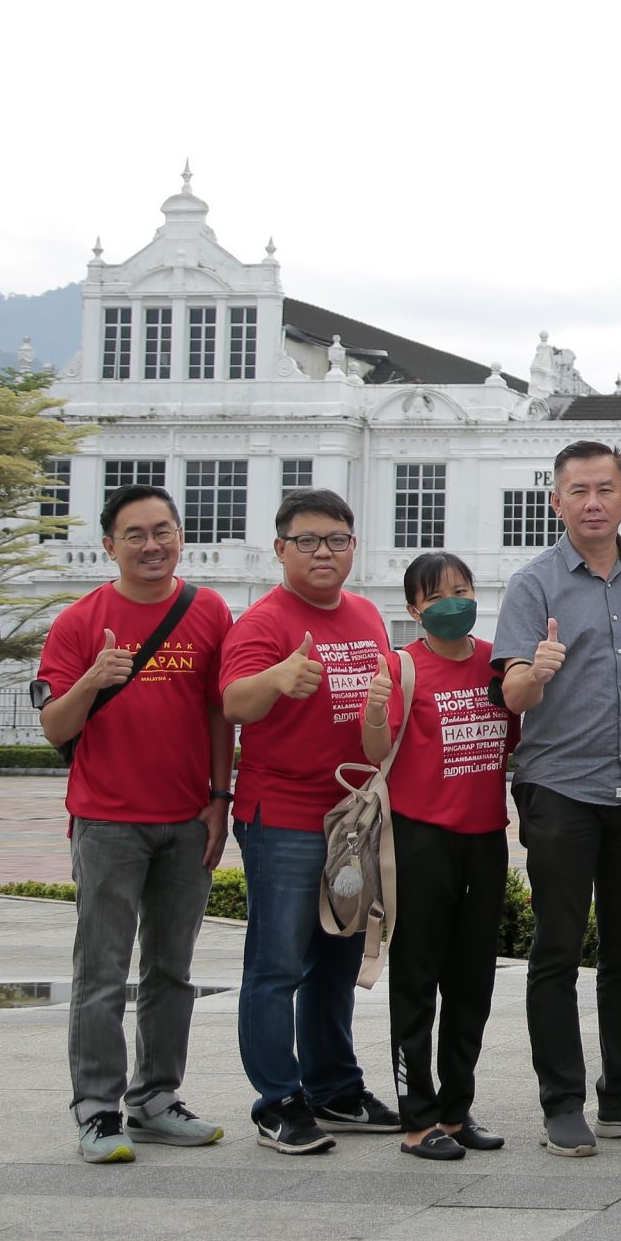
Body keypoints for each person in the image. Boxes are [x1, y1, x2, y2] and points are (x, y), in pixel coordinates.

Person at [495, 441, 621, 1158]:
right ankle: (562, 1101)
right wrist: (536, 671)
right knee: (555, 948)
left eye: (605, 488)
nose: (592, 502)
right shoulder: (533, 584)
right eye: (577, 490)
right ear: (556, 501)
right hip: (559, 788)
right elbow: (511, 693)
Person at [34, 483, 234, 1162]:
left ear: (181, 534)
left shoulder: (207, 609)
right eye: (136, 534)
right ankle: (96, 1109)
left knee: (171, 969)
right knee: (102, 970)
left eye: (163, 530)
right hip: (107, 820)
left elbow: (217, 710)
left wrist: (219, 796)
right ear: (109, 544)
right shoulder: (79, 620)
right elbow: (53, 727)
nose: (152, 544)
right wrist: (92, 677)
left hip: (186, 820)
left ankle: (155, 1098)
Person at [220, 488, 399, 1154]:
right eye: (308, 541)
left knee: (336, 957)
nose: (323, 552)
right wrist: (277, 679)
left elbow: (379, 715)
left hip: (349, 819)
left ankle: (334, 1086)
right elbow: (234, 702)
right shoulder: (264, 621)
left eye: (337, 539)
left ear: (353, 546)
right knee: (278, 963)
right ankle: (278, 1100)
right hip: (285, 818)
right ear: (281, 548)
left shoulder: (365, 615)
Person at [364, 552, 513, 1160]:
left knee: (472, 984)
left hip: (486, 839)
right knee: (418, 980)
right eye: (435, 594)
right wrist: (375, 708)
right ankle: (417, 1119)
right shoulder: (401, 666)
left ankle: (456, 1111)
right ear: (413, 609)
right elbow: (376, 751)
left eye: (462, 588)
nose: (452, 601)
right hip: (421, 840)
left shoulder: (497, 664)